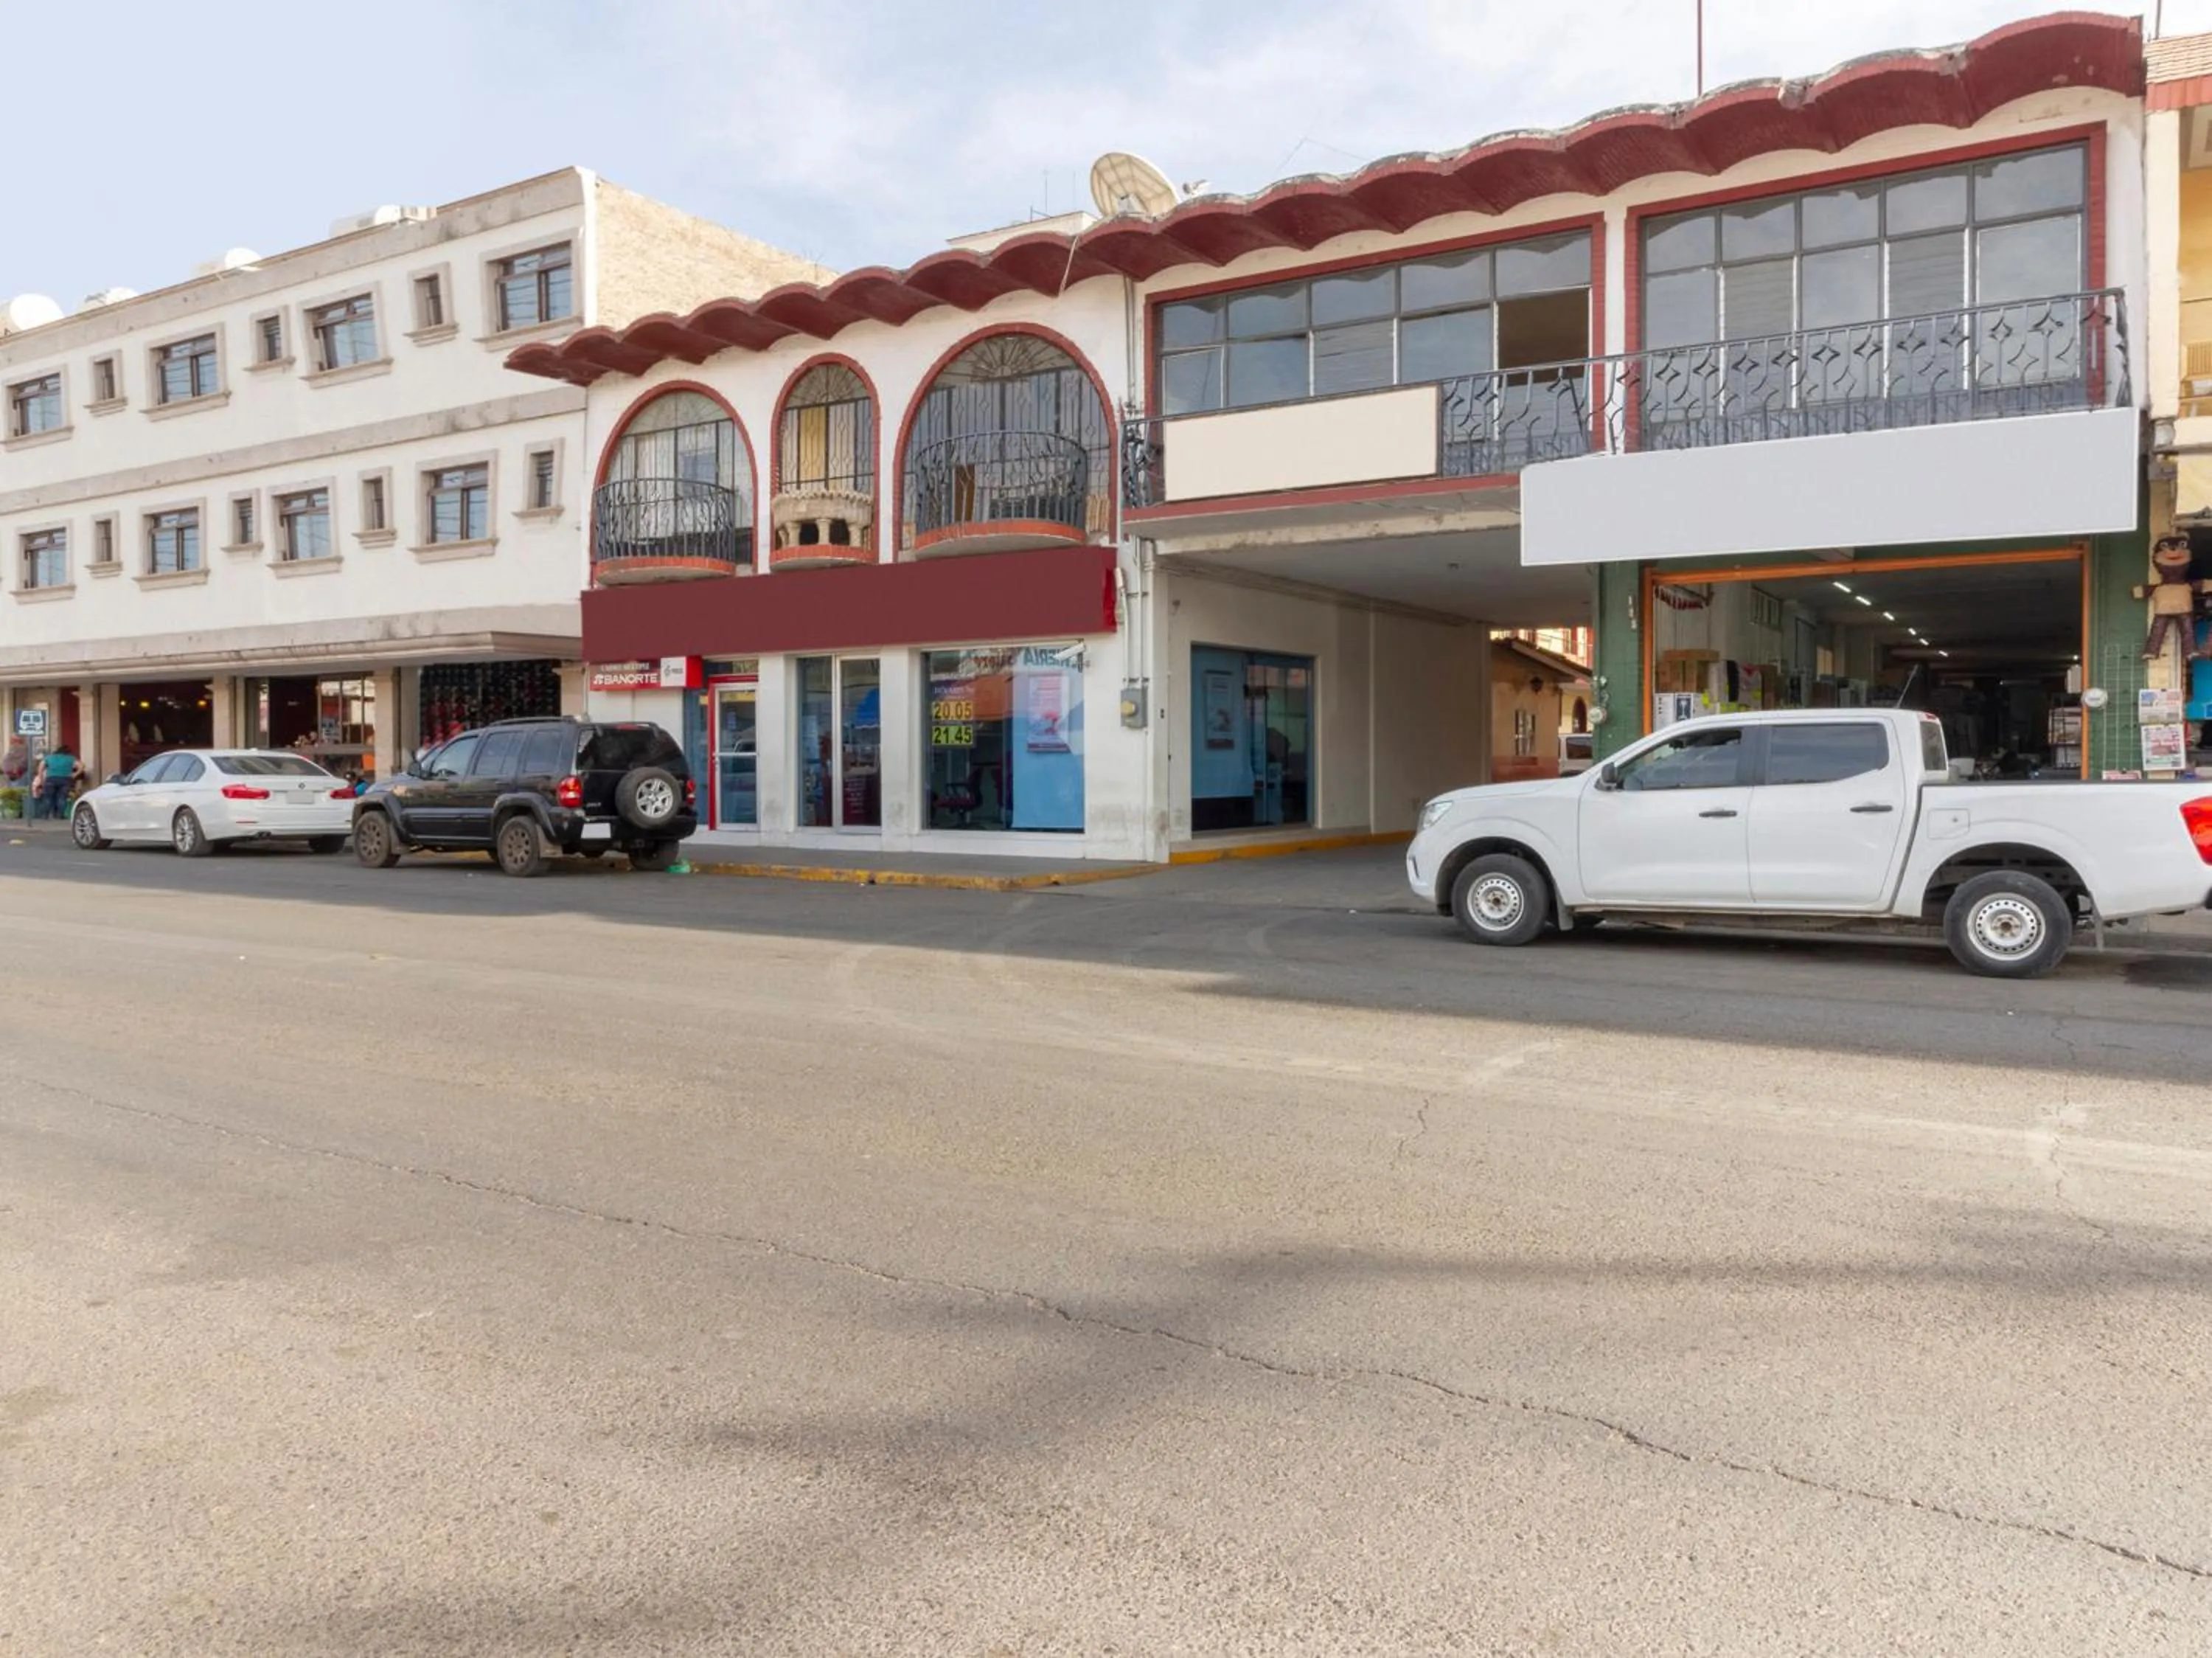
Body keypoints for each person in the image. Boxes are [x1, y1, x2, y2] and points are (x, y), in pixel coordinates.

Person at [38, 743, 80, 822]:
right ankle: (60, 815)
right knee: (62, 797)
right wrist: (74, 774)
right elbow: (81, 766)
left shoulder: (49, 758)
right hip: (65, 779)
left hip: (51, 779)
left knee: (48, 797)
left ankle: (45, 815)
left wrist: (41, 779)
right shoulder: (71, 758)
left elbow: (41, 768)